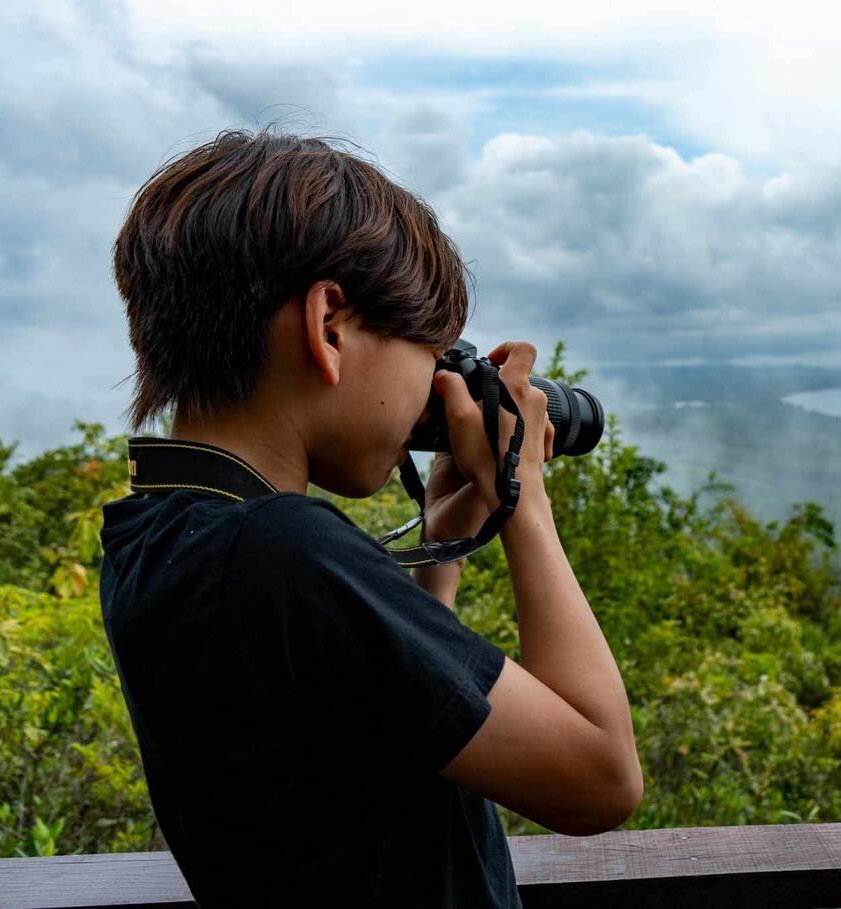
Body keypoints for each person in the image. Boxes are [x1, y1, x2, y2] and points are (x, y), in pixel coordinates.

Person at [98, 124, 643, 907]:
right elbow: (601, 777)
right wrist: (523, 494)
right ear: (329, 326)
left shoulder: (156, 538)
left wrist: (435, 566)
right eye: (429, 353)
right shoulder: (282, 551)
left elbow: (355, 742)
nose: (432, 392)